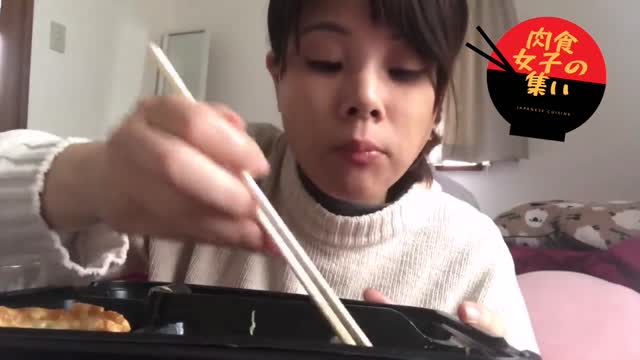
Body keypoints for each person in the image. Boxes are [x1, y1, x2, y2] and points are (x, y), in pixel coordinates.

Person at [0, 0, 539, 354]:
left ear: (439, 102)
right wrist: (91, 178)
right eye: (327, 61)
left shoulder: (472, 252)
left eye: (404, 71)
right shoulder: (215, 177)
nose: (365, 100)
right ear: (277, 75)